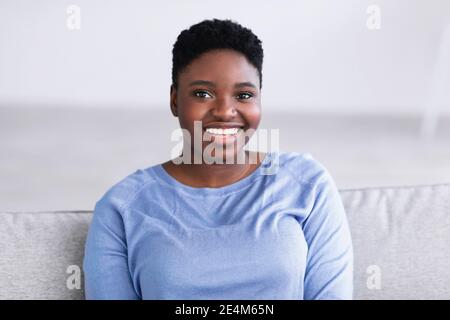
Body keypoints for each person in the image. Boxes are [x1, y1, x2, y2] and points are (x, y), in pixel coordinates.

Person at [83, 18, 353, 300]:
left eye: (244, 95)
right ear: (175, 100)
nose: (225, 111)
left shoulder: (307, 184)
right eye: (203, 93)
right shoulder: (121, 208)